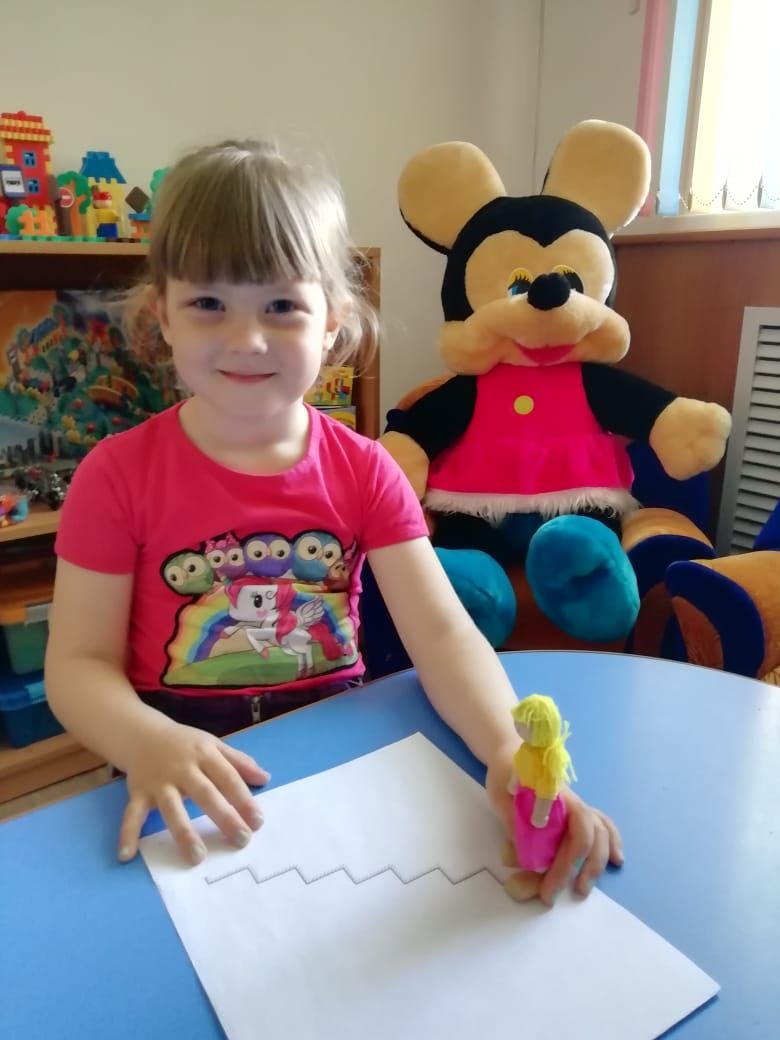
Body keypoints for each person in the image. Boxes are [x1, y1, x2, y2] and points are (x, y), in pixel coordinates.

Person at [44, 139, 621, 906]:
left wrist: (507, 752)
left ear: (333, 322)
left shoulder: (367, 469)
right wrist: (146, 741)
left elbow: (445, 637)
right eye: (209, 303)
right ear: (163, 317)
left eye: (281, 306)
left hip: (344, 759)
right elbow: (77, 666)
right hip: (177, 771)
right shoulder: (113, 476)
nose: (247, 339)